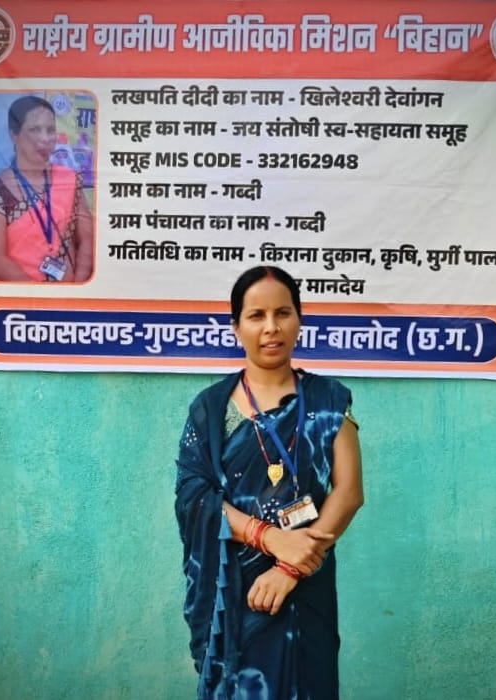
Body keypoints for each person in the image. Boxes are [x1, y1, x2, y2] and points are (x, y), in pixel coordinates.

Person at [175, 266, 364, 699]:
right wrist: (271, 539)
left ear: (299, 319)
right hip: (233, 592)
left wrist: (291, 567)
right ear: (236, 327)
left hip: (306, 584)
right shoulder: (210, 408)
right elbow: (193, 496)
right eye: (256, 316)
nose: (271, 327)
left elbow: (349, 492)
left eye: (282, 313)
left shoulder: (328, 400)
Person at [0, 95, 94, 282]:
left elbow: (87, 239)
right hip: (18, 297)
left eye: (50, 130)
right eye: (35, 130)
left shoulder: (69, 179)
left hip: (69, 294)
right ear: (14, 135)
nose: (45, 139)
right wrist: (35, 296)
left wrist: (77, 288)